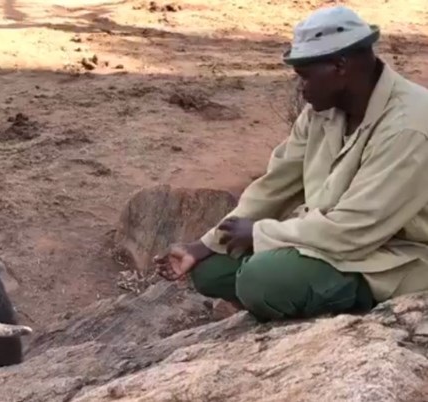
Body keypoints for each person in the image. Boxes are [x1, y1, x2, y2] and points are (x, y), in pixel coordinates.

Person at [154, 5, 428, 322]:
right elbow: (274, 185)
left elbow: (355, 229)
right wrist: (204, 245)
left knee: (262, 280)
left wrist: (261, 234)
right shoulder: (323, 110)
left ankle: (335, 307)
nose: (301, 87)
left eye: (305, 76)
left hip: (396, 256)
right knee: (210, 270)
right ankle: (301, 291)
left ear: (340, 66)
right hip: (324, 236)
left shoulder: (409, 127)